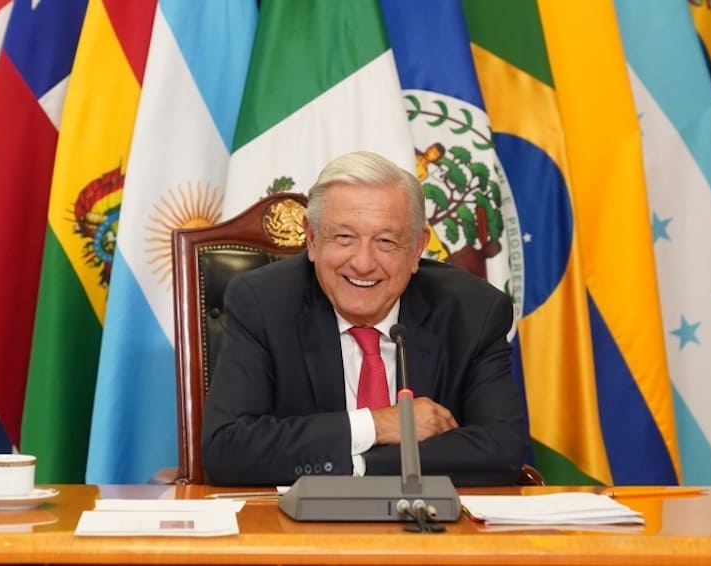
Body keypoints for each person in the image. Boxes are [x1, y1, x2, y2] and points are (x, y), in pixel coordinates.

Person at [201, 150, 529, 486]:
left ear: (417, 249)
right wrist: (379, 424)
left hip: (430, 533)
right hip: (296, 532)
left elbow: (501, 450)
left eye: (386, 242)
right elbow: (228, 448)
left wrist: (356, 464)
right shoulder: (263, 303)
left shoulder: (473, 311)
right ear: (312, 239)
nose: (362, 263)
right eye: (344, 238)